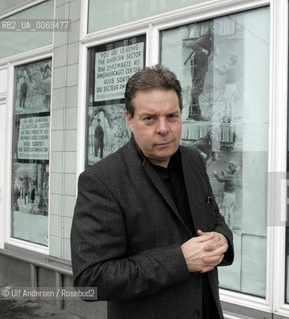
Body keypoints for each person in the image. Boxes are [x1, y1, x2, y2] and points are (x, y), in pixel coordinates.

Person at [71, 65, 234, 319]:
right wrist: (179, 260)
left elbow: (215, 220)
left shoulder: (193, 161)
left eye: (172, 116)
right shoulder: (102, 181)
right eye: (150, 118)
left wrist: (222, 240)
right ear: (130, 119)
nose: (163, 128)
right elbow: (90, 280)